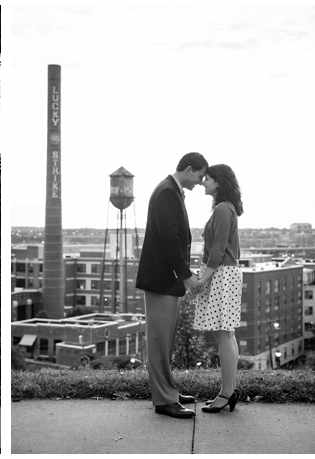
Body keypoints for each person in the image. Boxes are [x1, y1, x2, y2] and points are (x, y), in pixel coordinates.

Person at [136, 152, 208, 419]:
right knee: (158, 342)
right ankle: (164, 400)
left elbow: (176, 237)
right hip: (162, 280)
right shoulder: (167, 191)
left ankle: (168, 392)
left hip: (167, 280)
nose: (201, 182)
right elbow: (170, 238)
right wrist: (185, 274)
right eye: (200, 176)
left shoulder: (171, 190)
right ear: (188, 169)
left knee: (165, 342)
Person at [192, 164, 243, 414]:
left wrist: (203, 279)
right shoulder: (226, 208)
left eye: (208, 179)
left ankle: (226, 393)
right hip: (226, 274)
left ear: (219, 182)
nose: (204, 182)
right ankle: (229, 390)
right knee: (227, 334)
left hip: (222, 274)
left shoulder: (223, 209)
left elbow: (218, 249)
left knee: (224, 335)